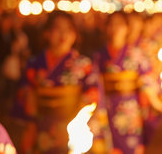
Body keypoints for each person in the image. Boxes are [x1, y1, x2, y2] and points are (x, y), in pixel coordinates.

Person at [14, 11, 100, 154]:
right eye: (57, 29)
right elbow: (24, 90)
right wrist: (29, 98)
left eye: (68, 29)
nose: (63, 34)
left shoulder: (83, 64)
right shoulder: (35, 63)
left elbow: (93, 94)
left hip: (71, 125)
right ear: (47, 33)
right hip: (40, 126)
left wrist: (78, 121)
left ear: (75, 34)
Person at [94, 11, 162, 154]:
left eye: (120, 24)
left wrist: (154, 100)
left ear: (127, 28)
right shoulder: (99, 55)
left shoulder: (136, 54)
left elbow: (147, 79)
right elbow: (94, 83)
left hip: (129, 111)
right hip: (105, 110)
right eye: (112, 24)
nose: (115, 28)